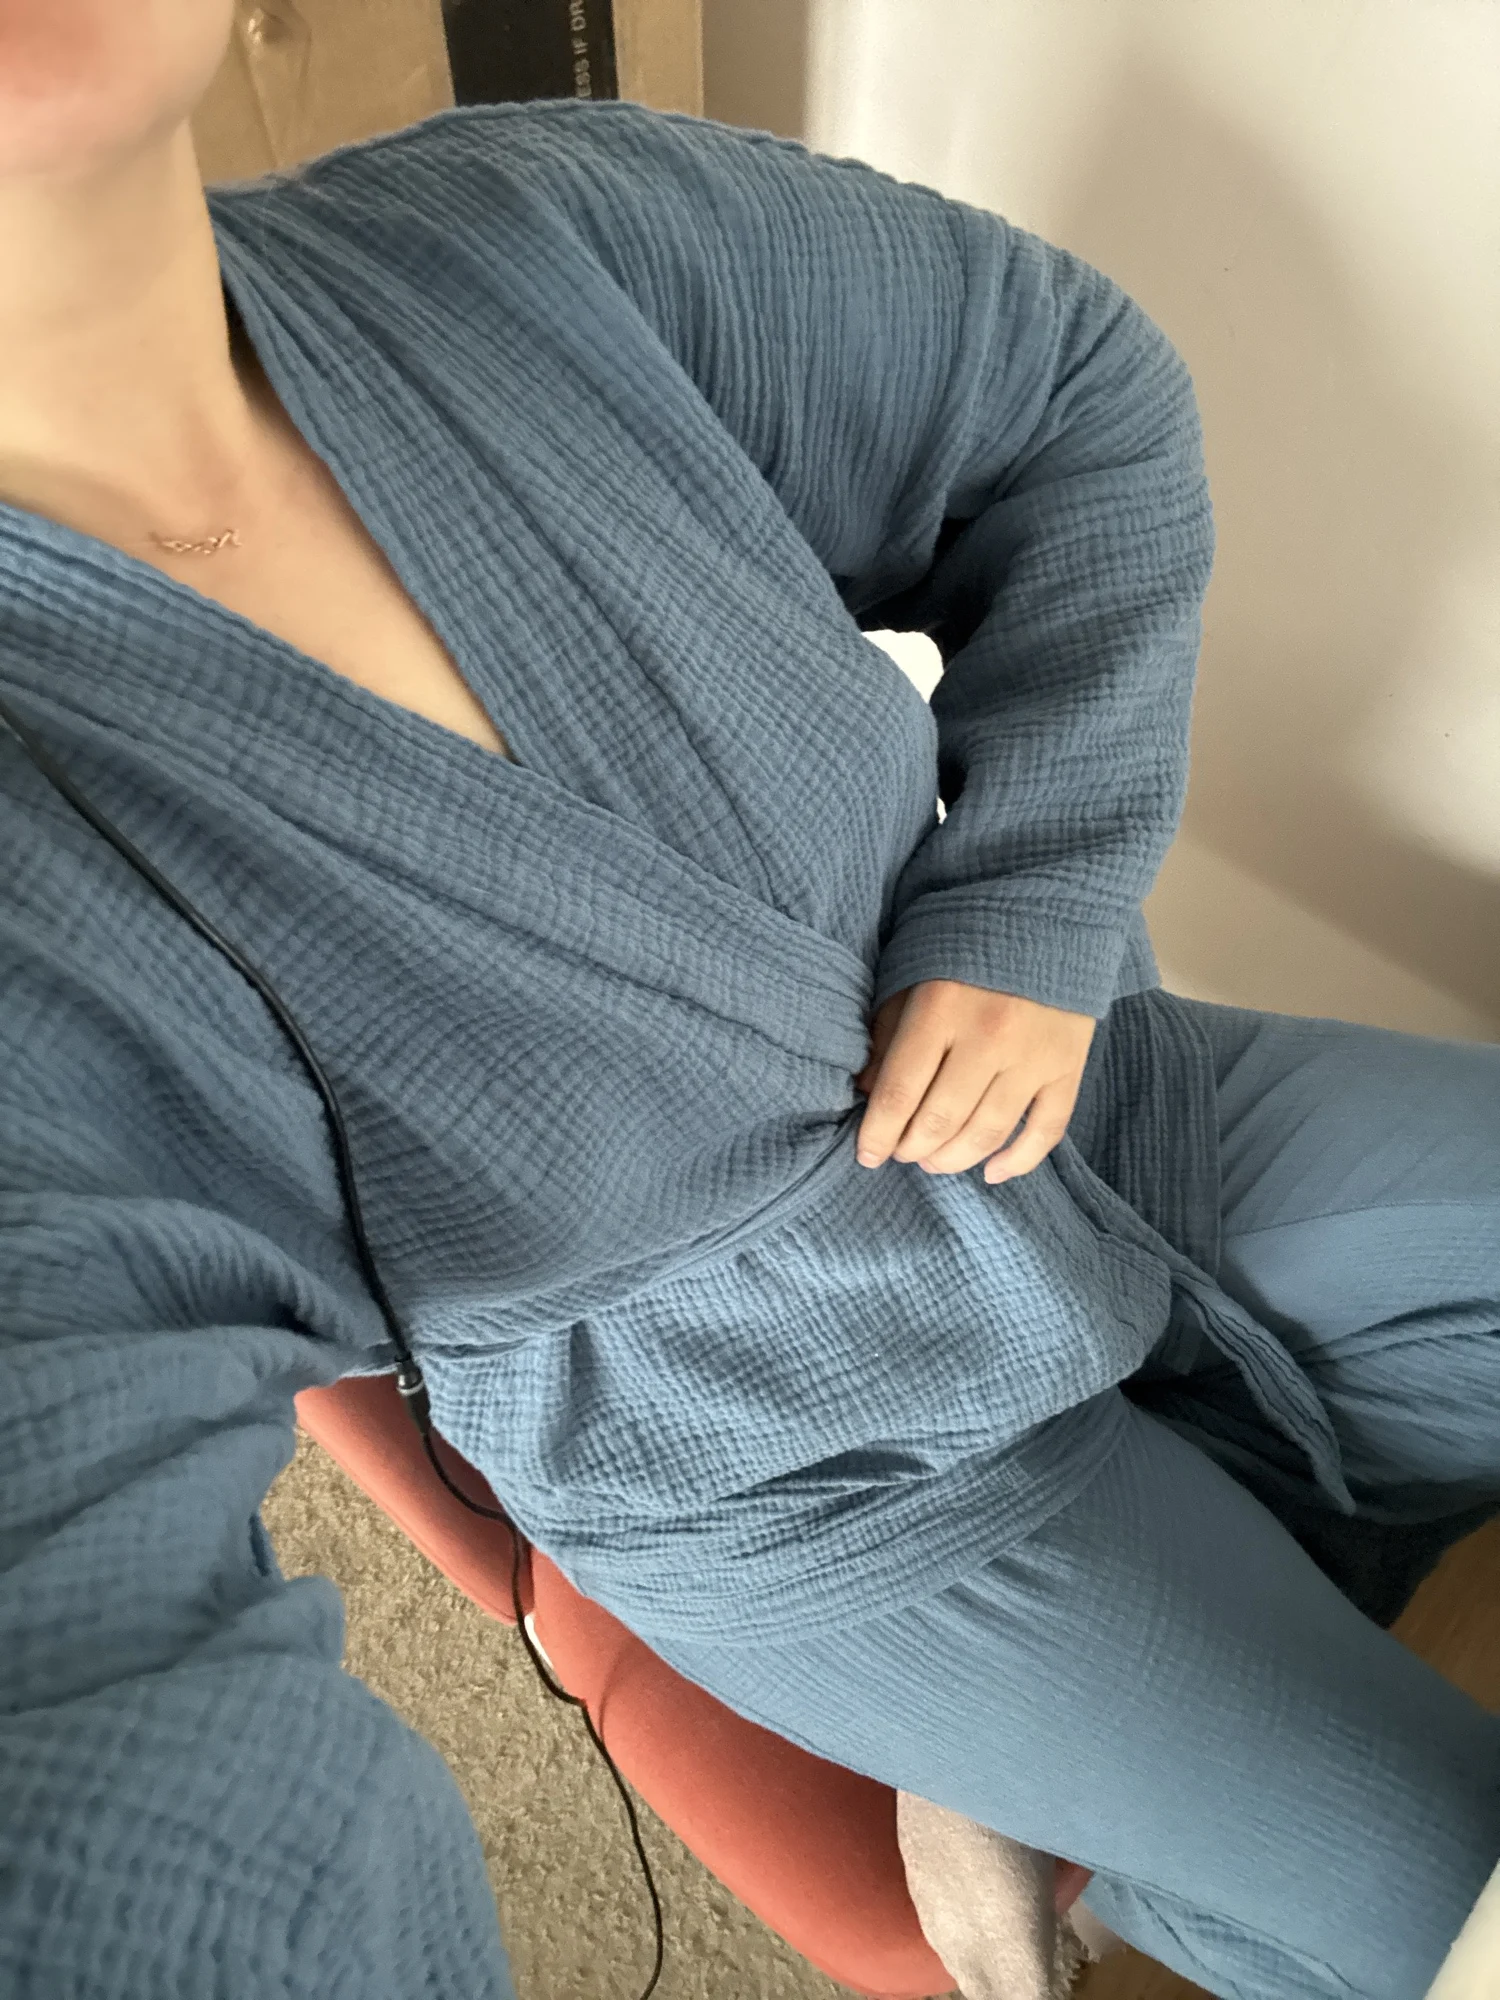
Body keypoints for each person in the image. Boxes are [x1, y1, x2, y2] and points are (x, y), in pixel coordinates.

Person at [1, 6, 1496, 1998]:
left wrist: (1036, 893)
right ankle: (1115, 1817)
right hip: (776, 1466)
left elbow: (1074, 396)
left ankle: (1093, 1730)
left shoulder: (534, 229)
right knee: (1446, 1891)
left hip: (1102, 1132)